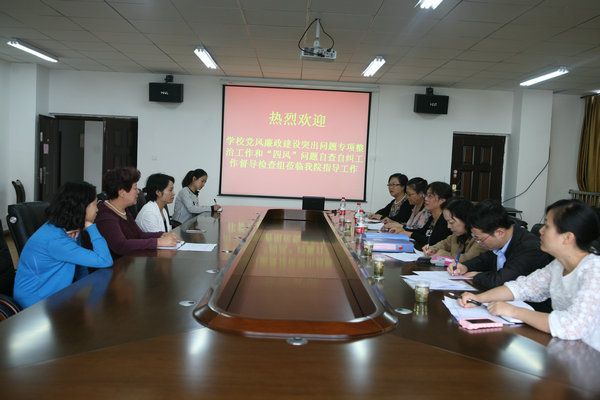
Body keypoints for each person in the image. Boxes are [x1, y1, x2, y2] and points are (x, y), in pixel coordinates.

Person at [456, 199, 600, 352]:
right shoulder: (558, 265)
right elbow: (523, 287)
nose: (541, 231)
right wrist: (479, 298)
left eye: (547, 226)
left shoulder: (594, 270)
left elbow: (572, 326)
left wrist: (513, 311)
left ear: (567, 237)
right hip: (567, 347)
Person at [13, 182, 113, 308]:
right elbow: (105, 260)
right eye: (94, 204)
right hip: (36, 306)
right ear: (82, 208)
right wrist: (91, 227)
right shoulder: (57, 241)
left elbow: (80, 266)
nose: (97, 209)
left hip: (56, 297)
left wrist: (86, 289)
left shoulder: (67, 229)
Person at [448, 199, 552, 291]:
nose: (478, 242)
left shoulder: (529, 247)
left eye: (480, 239)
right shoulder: (502, 240)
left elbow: (502, 281)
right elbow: (485, 259)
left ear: (500, 233)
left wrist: (478, 276)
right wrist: (465, 266)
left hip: (528, 305)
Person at [95, 167, 179, 257]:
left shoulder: (124, 210)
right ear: (122, 192)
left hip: (128, 260)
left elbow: (139, 235)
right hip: (113, 264)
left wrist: (162, 234)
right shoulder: (105, 215)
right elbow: (121, 245)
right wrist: (157, 242)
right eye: (135, 188)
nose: (138, 192)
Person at [384, 181, 452, 249]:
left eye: (430, 196)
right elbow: (421, 232)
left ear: (442, 201)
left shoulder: (445, 220)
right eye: (426, 195)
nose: (425, 198)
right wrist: (402, 230)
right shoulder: (432, 217)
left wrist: (409, 234)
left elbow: (433, 242)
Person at [424, 197, 486, 262]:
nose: (448, 226)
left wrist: (445, 255)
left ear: (465, 219)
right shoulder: (455, 236)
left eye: (451, 222)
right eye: (447, 222)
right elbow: (444, 244)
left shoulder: (480, 238)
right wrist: (432, 249)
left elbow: (468, 259)